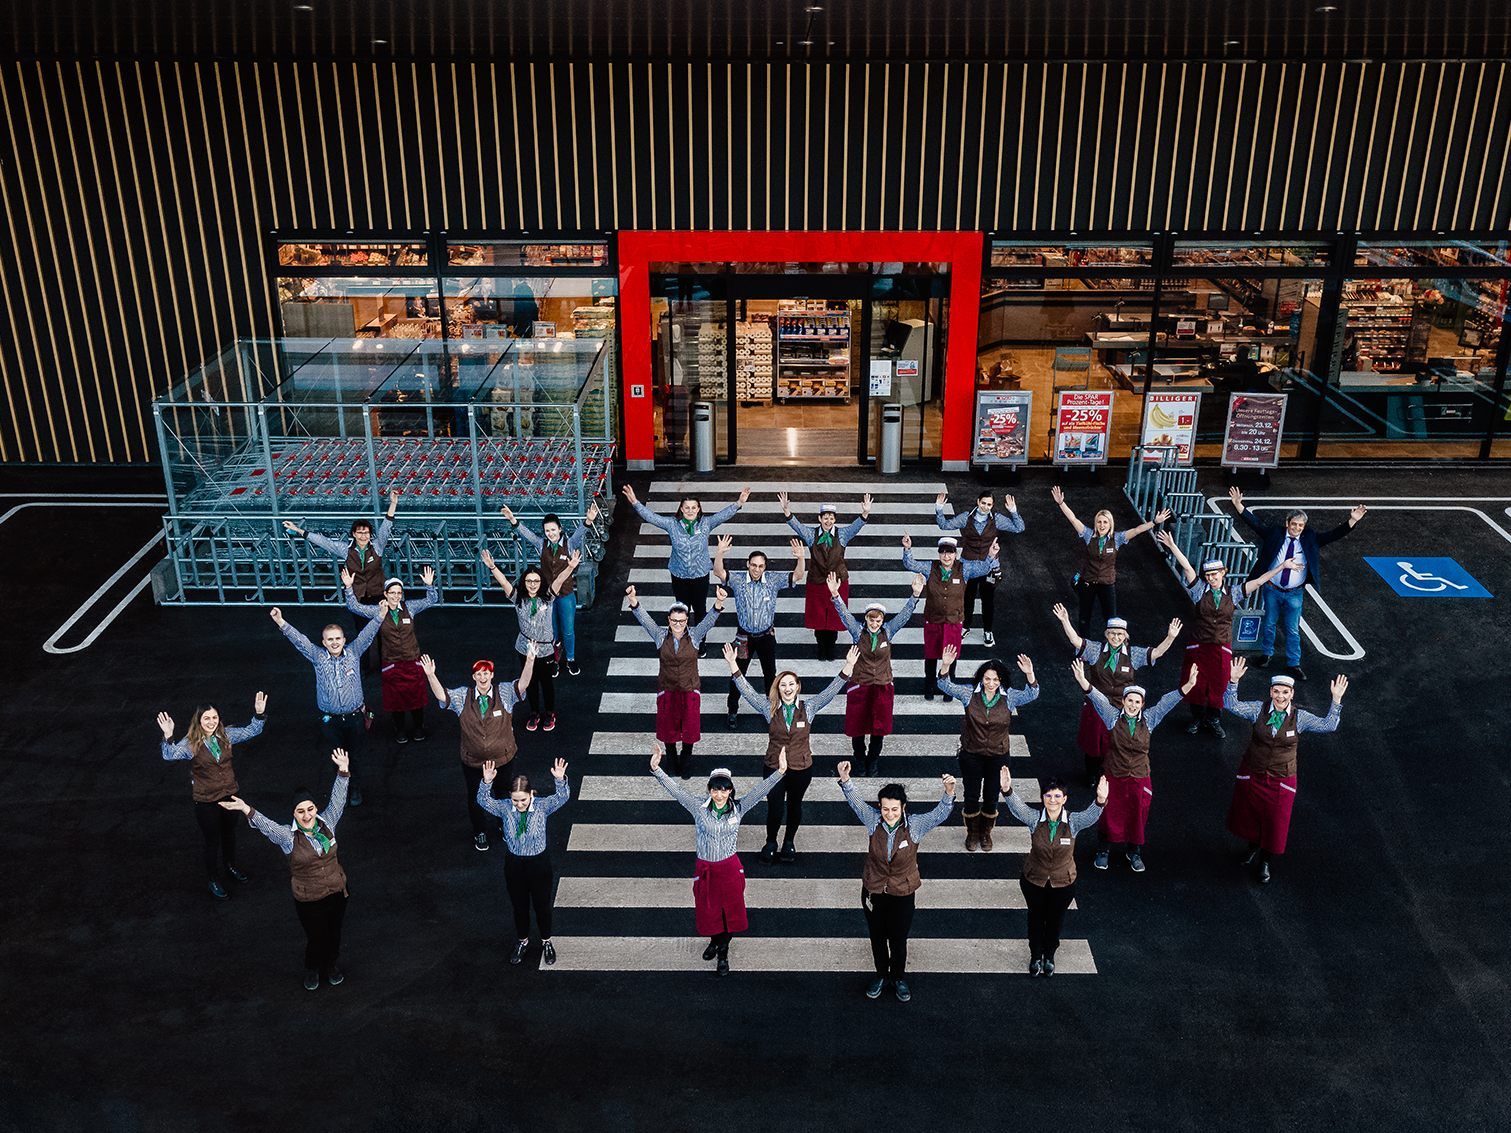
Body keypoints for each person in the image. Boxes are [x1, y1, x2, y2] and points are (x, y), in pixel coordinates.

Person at [649, 740, 787, 975]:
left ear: (730, 790)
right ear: (709, 790)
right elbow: (676, 791)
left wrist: (781, 771)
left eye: (724, 789)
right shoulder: (698, 808)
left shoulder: (739, 808)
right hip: (706, 870)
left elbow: (760, 790)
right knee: (709, 911)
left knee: (730, 915)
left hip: (730, 870)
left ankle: (723, 952)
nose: (719, 794)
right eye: (715, 789)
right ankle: (714, 940)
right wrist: (656, 769)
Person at [218, 749, 352, 991]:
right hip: (309, 898)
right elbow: (266, 826)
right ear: (294, 814)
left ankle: (331, 965)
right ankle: (312, 968)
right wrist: (247, 809)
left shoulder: (328, 821)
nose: (307, 814)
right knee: (316, 937)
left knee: (334, 934)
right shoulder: (288, 837)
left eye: (310, 809)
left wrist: (343, 771)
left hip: (336, 890)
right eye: (301, 811)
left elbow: (338, 799)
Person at [1156, 530, 1298, 737]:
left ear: (1224, 572)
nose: (1212, 578)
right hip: (1198, 646)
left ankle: (1213, 719)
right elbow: (1186, 566)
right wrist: (1172, 546)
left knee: (1219, 683)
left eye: (1215, 574)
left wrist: (1282, 566)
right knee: (1194, 682)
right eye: (1208, 575)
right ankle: (1196, 718)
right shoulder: (1198, 590)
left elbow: (1259, 581)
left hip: (1221, 646)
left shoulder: (1235, 592)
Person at [837, 761, 957, 1002]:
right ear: (879, 808)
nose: (889, 814)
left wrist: (949, 793)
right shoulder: (873, 821)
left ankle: (898, 977)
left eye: (894, 809)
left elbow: (939, 815)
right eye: (885, 809)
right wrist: (846, 780)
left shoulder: (914, 826)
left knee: (899, 938)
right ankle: (882, 974)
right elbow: (856, 803)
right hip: (874, 890)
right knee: (877, 936)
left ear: (903, 808)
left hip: (903, 892)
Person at [1221, 658, 1347, 883]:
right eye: (1276, 691)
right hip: (1254, 772)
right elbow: (1231, 705)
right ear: (1270, 692)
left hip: (1281, 779)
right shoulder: (1257, 710)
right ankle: (1252, 847)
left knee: (1274, 821)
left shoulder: (1301, 718)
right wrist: (1233, 681)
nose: (1280, 696)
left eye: (1285, 692)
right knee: (1250, 814)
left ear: (1292, 694)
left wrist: (1336, 700)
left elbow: (1329, 725)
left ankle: (1265, 861)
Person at [725, 642, 853, 863]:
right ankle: (771, 841)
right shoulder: (769, 708)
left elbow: (830, 692)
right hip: (774, 766)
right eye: (783, 684)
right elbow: (747, 691)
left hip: (802, 767)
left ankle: (789, 842)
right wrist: (733, 665)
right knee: (774, 806)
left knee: (795, 805)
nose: (787, 688)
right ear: (778, 688)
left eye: (791, 684)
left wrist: (848, 667)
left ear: (798, 686)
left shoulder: (809, 708)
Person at [1071, 658, 1197, 873]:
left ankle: (1134, 851)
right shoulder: (1111, 716)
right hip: (1114, 774)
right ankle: (1104, 850)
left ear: (1142, 704)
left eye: (1137, 702)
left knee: (1137, 814)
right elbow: (1097, 697)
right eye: (1129, 700)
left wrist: (1189, 685)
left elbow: (1167, 702)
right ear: (1123, 701)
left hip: (1140, 776)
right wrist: (1083, 679)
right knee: (1108, 813)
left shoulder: (1150, 719)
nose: (1133, 705)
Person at [1228, 489, 1368, 680]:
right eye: (1294, 524)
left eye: (1300, 525)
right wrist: (1238, 505)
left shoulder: (1310, 538)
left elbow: (1333, 535)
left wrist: (1352, 521)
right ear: (1287, 524)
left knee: (1292, 629)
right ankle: (1266, 655)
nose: (1297, 528)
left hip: (1295, 593)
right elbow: (1255, 523)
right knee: (1269, 623)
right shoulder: (1275, 534)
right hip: (1272, 589)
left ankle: (1294, 663)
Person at [1050, 602, 1181, 787]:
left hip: (1121, 708)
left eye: (1120, 634)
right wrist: (1065, 620)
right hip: (1096, 704)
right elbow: (1076, 641)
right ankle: (1091, 774)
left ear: (1125, 636)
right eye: (1112, 633)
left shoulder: (1134, 654)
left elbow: (1157, 653)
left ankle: (1107, 772)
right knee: (1092, 743)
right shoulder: (1095, 650)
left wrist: (1170, 637)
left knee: (1114, 742)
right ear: (1106, 634)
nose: (1115, 637)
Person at [421, 649, 536, 852]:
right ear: (474, 677)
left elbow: (523, 684)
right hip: (473, 761)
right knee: (475, 797)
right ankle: (480, 831)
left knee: (503, 793)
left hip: (503, 759)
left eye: (486, 673)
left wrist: (529, 661)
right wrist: (431, 675)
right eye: (479, 674)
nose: (483, 677)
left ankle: (503, 823)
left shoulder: (505, 692)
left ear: (492, 675)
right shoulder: (462, 696)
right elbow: (442, 696)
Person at [999, 765, 1108, 976]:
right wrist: (1007, 790)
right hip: (1034, 880)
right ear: (1043, 798)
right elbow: (1018, 809)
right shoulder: (1034, 819)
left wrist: (1100, 801)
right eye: (1048, 795)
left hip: (1063, 882)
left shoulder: (1073, 822)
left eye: (1058, 795)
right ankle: (1034, 956)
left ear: (1065, 799)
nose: (1053, 800)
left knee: (1055, 920)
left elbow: (1090, 816)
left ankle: (1049, 955)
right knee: (1035, 919)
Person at [157, 694, 267, 900]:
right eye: (206, 718)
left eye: (214, 717)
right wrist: (168, 736)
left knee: (229, 834)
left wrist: (259, 714)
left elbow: (252, 730)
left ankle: (230, 867)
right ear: (199, 720)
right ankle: (213, 879)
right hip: (206, 800)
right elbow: (169, 755)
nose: (211, 722)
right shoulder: (192, 743)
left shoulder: (226, 735)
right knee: (212, 840)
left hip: (229, 795)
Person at [270, 607, 379, 807]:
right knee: (336, 757)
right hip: (330, 719)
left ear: (344, 640)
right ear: (323, 642)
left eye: (338, 638)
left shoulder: (354, 652)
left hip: (355, 717)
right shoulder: (318, 657)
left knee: (354, 755)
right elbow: (300, 640)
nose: (334, 642)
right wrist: (281, 622)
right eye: (330, 639)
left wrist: (380, 615)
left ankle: (355, 788)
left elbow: (368, 633)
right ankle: (341, 789)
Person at [935, 646, 1039, 851]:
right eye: (987, 679)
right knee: (971, 795)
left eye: (995, 680)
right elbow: (944, 684)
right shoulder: (968, 694)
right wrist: (946, 664)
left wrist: (1029, 674)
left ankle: (985, 833)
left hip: (998, 756)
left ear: (1001, 681)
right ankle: (972, 833)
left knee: (992, 795)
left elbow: (1032, 693)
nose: (991, 683)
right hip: (971, 754)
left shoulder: (1009, 697)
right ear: (981, 678)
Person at [284, 488, 399, 672]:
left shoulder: (377, 547)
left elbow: (386, 526)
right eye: (360, 532)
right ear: (353, 534)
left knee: (382, 631)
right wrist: (299, 530)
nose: (364, 536)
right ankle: (366, 667)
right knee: (363, 633)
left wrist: (393, 503)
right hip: (359, 598)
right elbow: (323, 542)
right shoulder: (345, 550)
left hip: (378, 595)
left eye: (367, 532)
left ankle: (386, 665)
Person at [476, 757, 571, 965]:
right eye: (515, 800)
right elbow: (483, 801)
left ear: (531, 795)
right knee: (519, 906)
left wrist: (560, 780)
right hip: (515, 865)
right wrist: (487, 783)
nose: (519, 804)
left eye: (523, 800)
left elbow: (562, 798)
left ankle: (546, 941)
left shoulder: (542, 806)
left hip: (539, 864)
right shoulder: (503, 808)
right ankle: (523, 941)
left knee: (542, 906)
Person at [628, 583, 726, 778]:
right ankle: (672, 759)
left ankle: (686, 760)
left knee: (690, 728)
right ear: (668, 620)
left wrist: (718, 603)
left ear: (687, 620)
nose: (678, 624)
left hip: (690, 689)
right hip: (667, 689)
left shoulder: (696, 636)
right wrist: (633, 601)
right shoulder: (659, 635)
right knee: (668, 729)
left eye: (682, 621)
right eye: (674, 621)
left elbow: (708, 622)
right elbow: (645, 620)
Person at [830, 571, 923, 777]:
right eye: (871, 620)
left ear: (882, 620)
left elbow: (904, 616)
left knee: (879, 729)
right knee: (857, 727)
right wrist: (836, 596)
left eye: (878, 620)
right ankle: (860, 760)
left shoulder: (888, 631)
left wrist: (915, 595)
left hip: (882, 686)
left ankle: (873, 761)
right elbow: (844, 616)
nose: (875, 624)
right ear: (866, 619)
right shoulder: (857, 632)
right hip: (859, 685)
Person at [481, 547, 580, 732]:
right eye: (529, 581)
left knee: (547, 682)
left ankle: (550, 713)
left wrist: (570, 567)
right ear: (524, 582)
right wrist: (493, 567)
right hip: (524, 648)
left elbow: (558, 581)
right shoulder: (518, 599)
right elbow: (504, 584)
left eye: (536, 581)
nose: (532, 584)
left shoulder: (548, 597)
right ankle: (534, 713)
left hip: (545, 650)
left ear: (541, 582)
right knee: (530, 682)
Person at [714, 534, 807, 728]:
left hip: (766, 636)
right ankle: (732, 710)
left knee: (770, 677)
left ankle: (771, 710)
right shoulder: (738, 580)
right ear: (748, 564)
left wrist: (800, 558)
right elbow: (719, 573)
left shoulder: (772, 580)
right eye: (754, 565)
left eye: (761, 566)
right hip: (744, 637)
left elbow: (797, 576)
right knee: (737, 674)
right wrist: (719, 553)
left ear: (765, 567)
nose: (757, 569)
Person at [1049, 486, 1172, 634]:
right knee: (1084, 617)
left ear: (1110, 524)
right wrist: (1061, 503)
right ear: (1096, 523)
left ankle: (1111, 647)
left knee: (1111, 619)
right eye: (1099, 522)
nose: (1102, 525)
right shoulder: (1088, 535)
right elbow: (1073, 518)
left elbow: (1137, 530)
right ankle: (1081, 650)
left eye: (1105, 522)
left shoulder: (1118, 539)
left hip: (1107, 584)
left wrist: (1154, 521)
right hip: (1088, 582)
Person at [622, 483, 749, 621]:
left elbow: (722, 516)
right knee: (682, 609)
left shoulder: (706, 523)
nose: (690, 511)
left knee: (700, 608)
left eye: (694, 507)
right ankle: (684, 638)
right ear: (681, 509)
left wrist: (739, 503)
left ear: (698, 509)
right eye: (687, 507)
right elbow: (652, 517)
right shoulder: (672, 524)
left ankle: (700, 640)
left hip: (700, 575)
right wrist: (635, 502)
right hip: (679, 575)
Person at [502, 501, 601, 677]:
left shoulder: (569, 544)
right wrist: (513, 520)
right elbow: (527, 535)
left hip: (565, 595)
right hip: (547, 597)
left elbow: (580, 533)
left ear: (560, 529)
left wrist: (588, 520)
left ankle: (570, 659)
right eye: (547, 531)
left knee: (568, 629)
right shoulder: (541, 545)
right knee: (551, 630)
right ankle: (554, 659)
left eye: (553, 530)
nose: (550, 534)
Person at [345, 566, 439, 744]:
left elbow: (431, 600)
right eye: (392, 592)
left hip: (413, 660)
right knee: (396, 699)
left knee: (416, 696)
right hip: (391, 662)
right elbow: (354, 606)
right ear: (385, 594)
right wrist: (349, 589)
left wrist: (430, 585)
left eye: (399, 592)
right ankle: (400, 729)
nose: (396, 596)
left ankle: (419, 726)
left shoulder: (409, 607)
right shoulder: (378, 610)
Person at [902, 533, 999, 699]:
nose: (946, 556)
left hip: (954, 621)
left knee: (952, 657)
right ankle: (929, 686)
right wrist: (907, 549)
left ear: (955, 554)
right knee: (931, 655)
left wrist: (991, 555)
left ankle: (948, 688)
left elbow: (983, 568)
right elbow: (910, 564)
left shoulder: (964, 568)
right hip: (933, 620)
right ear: (939, 554)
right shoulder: (930, 567)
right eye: (943, 552)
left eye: (950, 552)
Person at [783, 492, 871, 660]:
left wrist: (865, 513)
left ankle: (830, 649)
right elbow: (797, 526)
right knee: (818, 618)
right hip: (816, 582)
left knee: (834, 617)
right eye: (825, 518)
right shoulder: (811, 535)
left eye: (831, 518)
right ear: (819, 518)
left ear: (835, 520)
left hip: (837, 582)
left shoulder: (842, 535)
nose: (828, 521)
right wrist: (787, 511)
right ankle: (821, 648)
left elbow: (856, 526)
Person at [934, 489, 1025, 647]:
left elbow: (1019, 528)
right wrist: (939, 508)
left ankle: (988, 631)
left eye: (989, 504)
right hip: (968, 566)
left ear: (993, 505)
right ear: (978, 502)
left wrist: (1013, 511)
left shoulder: (997, 519)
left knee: (988, 599)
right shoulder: (966, 517)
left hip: (988, 566)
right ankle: (966, 626)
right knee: (966, 598)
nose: (986, 507)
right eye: (983, 503)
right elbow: (944, 525)